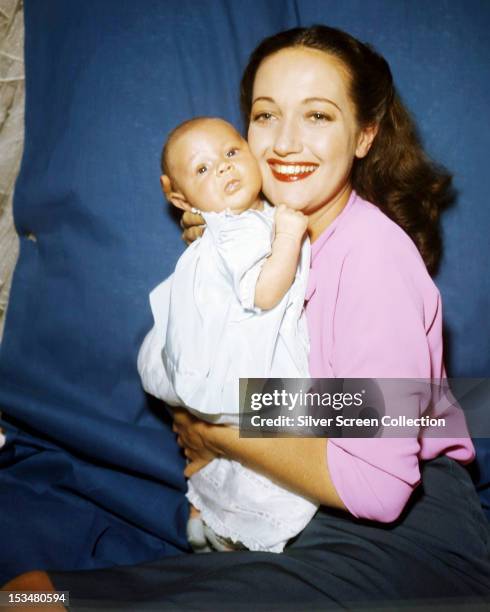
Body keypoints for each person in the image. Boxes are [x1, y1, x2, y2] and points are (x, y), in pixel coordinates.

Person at [4, 24, 490, 608]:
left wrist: (221, 431)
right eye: (265, 116)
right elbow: (355, 398)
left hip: (407, 529)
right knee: (41, 599)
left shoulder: (375, 259)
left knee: (56, 603)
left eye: (317, 116)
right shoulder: (257, 238)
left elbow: (381, 482)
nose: (284, 142)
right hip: (298, 507)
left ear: (365, 134)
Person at [139, 116, 317, 553]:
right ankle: (217, 518)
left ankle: (209, 513)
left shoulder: (251, 223)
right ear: (177, 194)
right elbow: (261, 292)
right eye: (202, 168)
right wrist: (287, 236)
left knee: (266, 456)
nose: (222, 167)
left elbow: (402, 414)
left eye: (230, 153)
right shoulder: (239, 230)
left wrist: (206, 437)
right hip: (226, 373)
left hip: (225, 382)